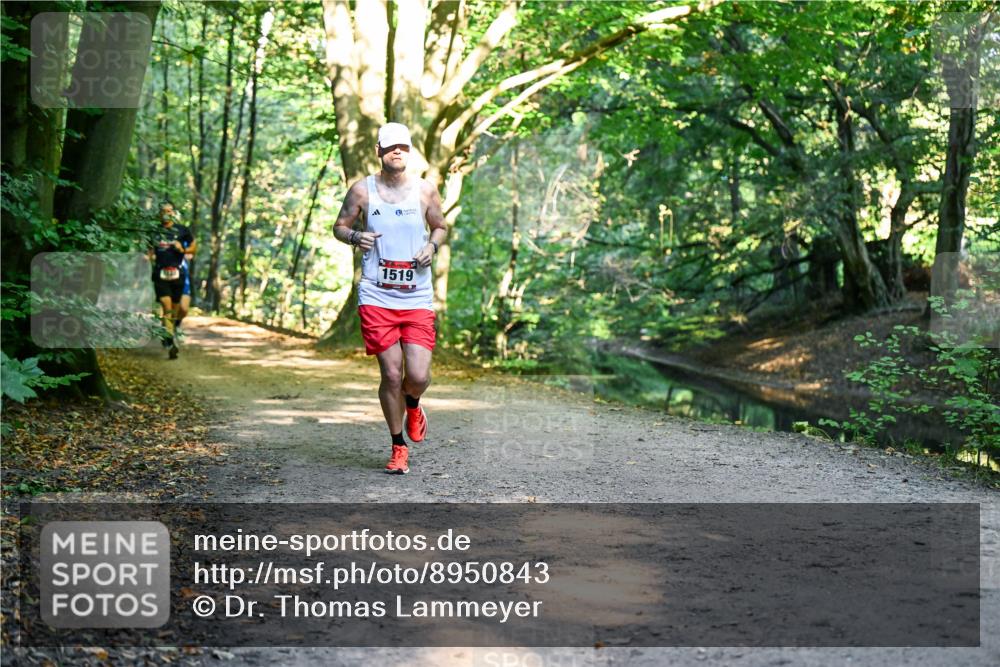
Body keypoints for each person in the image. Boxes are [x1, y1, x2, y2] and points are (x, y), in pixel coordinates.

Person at [332, 123, 447, 474]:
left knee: (418, 375)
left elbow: (440, 226)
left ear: (409, 153)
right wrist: (355, 236)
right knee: (392, 374)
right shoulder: (362, 191)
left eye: (404, 147)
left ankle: (414, 404)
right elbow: (339, 226)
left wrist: (431, 246)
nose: (398, 151)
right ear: (380, 152)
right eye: (391, 146)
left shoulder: (426, 191)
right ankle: (398, 447)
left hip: (416, 296)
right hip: (376, 294)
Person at [148, 202, 196, 360]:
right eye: (163, 211)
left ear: (173, 213)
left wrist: (182, 249)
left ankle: (168, 332)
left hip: (178, 274)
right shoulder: (154, 231)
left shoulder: (182, 230)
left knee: (175, 310)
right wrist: (149, 261)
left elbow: (193, 248)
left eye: (169, 211)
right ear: (159, 214)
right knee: (166, 307)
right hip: (161, 274)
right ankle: (170, 341)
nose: (166, 214)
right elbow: (149, 253)